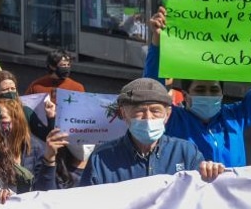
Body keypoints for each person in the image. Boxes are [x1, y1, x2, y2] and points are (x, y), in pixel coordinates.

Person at [142, 6, 251, 166]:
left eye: (214, 90)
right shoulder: (173, 119)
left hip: (231, 191)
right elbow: (152, 91)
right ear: (185, 95)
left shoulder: (235, 117)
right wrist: (157, 42)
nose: (208, 95)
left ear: (222, 94)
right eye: (200, 90)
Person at [81, 78, 224, 186]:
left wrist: (211, 175)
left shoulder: (186, 152)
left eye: (155, 111)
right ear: (124, 114)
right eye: (139, 111)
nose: (148, 118)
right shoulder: (101, 158)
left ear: (167, 115)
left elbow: (201, 195)